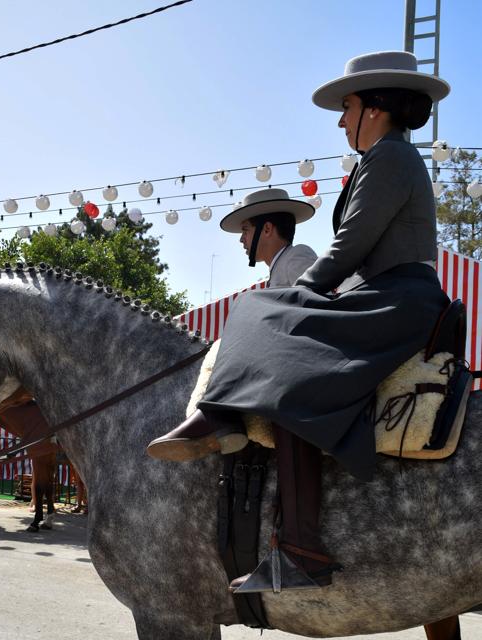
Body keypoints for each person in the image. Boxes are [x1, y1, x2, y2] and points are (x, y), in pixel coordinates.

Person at [148, 50, 451, 590]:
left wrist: (297, 299)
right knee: (277, 338)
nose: (340, 120)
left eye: (348, 106)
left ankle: (230, 435)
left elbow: (349, 247)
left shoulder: (391, 159)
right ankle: (291, 533)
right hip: (385, 294)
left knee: (256, 309)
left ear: (375, 109)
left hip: (399, 299)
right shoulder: (384, 158)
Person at [221, 187, 317, 287]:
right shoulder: (280, 266)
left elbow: (318, 300)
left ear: (267, 229)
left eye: (245, 230)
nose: (241, 239)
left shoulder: (296, 256)